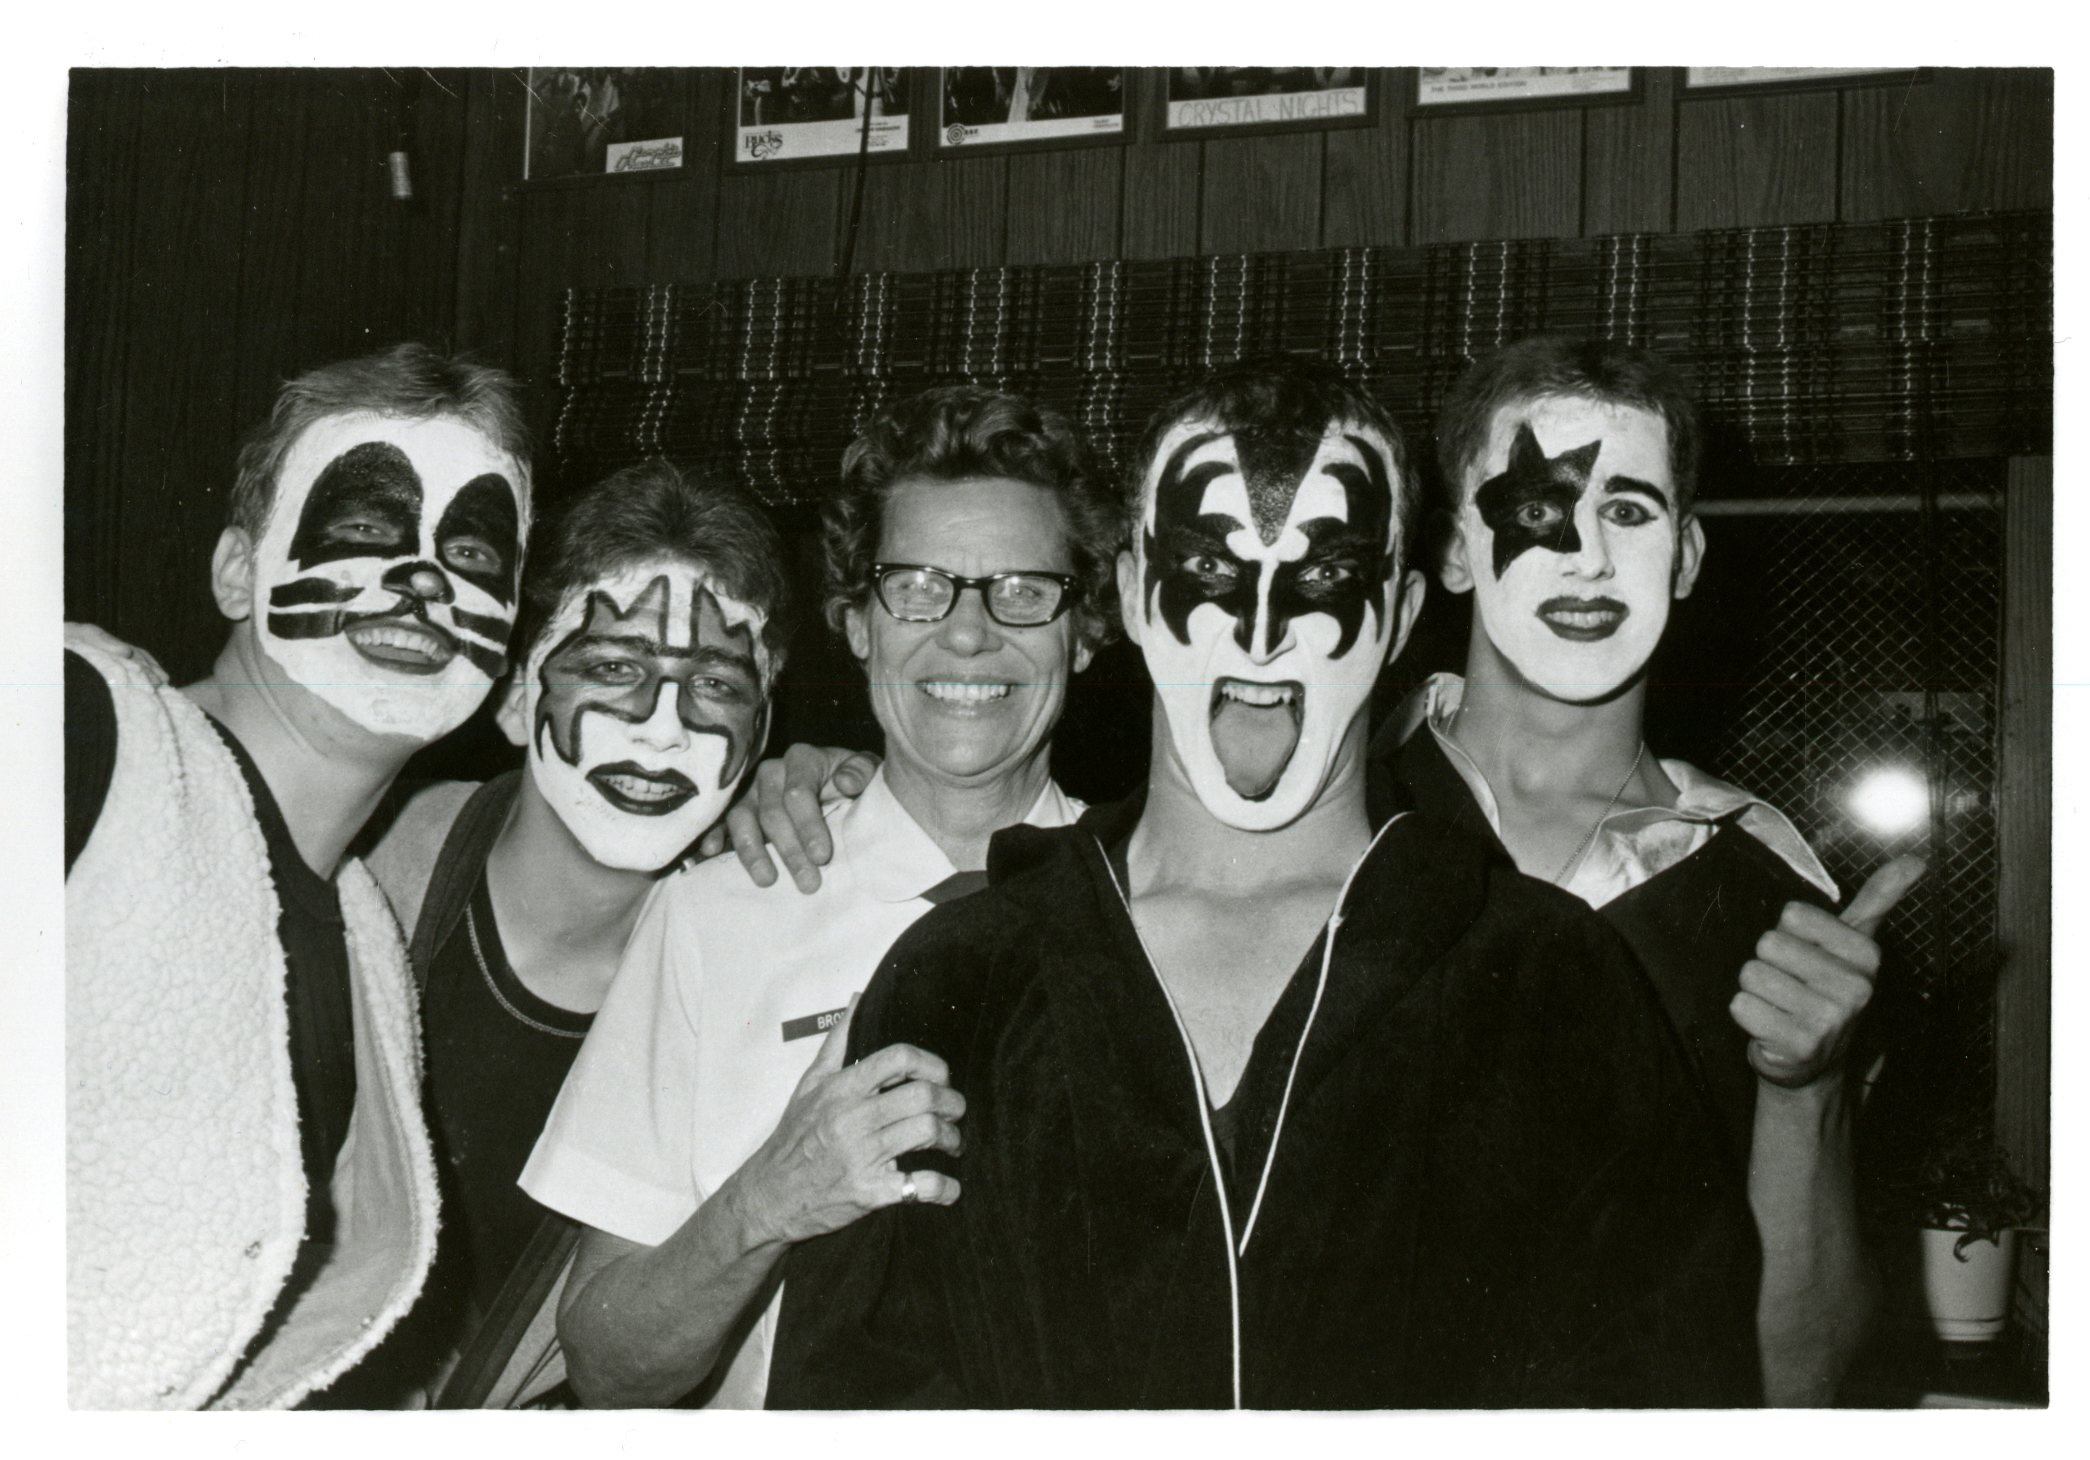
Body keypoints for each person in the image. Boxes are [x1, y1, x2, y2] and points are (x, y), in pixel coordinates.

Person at [764, 355, 1762, 1409]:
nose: (1260, 627)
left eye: (1328, 575)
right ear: (1136, 596)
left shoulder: (1550, 977)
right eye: (1206, 568)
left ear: (1398, 609)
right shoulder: (956, 977)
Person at [519, 385, 1122, 1407]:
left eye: (1021, 588)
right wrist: (766, 1199)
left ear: (1087, 629)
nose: (967, 634)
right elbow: (606, 1366)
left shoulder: (1153, 918)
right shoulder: (712, 916)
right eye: (918, 586)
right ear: (855, 621)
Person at [1377, 334, 1922, 1403]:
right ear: (1450, 550)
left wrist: (1801, 1090)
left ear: (1683, 556)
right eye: (1535, 509)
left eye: (1626, 510)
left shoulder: (1774, 901)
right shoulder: (1319, 822)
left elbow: (1794, 1378)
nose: (1584, 555)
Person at [64, 344, 531, 1409]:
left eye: (472, 551)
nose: (424, 581)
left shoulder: (364, 943)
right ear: (236, 570)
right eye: (367, 531)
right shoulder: (86, 729)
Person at [348, 459, 794, 1405]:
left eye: (715, 682)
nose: (665, 729)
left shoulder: (749, 967)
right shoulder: (369, 872)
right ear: (514, 696)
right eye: (614, 667)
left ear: (765, 727)